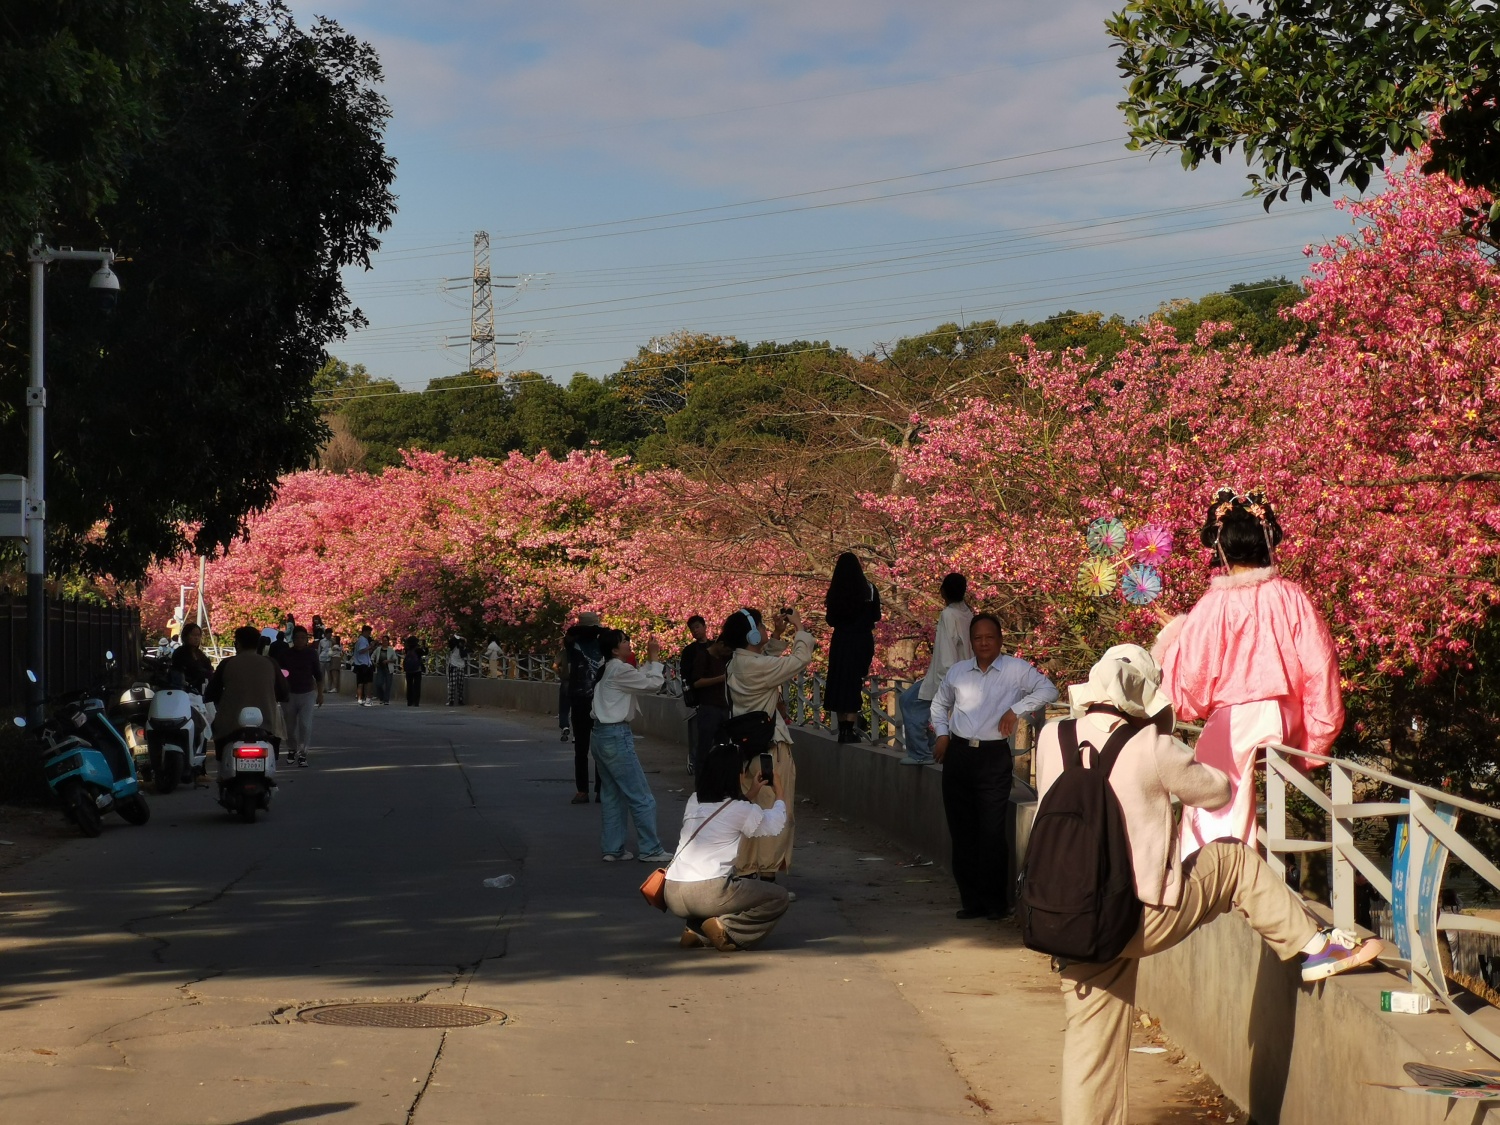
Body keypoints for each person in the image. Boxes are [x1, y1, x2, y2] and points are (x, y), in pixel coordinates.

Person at [1039, 644, 1381, 1125]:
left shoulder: (1051, 737)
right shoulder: (1151, 745)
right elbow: (1217, 792)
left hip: (1067, 917)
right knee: (1232, 859)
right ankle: (1312, 946)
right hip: (1138, 916)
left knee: (1089, 1050)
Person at [1152, 488, 1344, 860]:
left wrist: (1175, 636)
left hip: (1237, 721)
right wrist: (1316, 741)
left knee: (1212, 796)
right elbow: (1321, 667)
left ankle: (1218, 872)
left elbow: (1190, 677)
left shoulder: (1214, 604)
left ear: (1220, 547)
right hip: (1286, 718)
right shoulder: (1291, 595)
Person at [931, 612, 1058, 920]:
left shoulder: (1016, 670)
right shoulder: (958, 671)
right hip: (959, 756)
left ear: (1000, 640)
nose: (984, 643)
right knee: (962, 831)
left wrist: (1016, 710)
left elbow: (1049, 690)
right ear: (971, 642)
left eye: (990, 637)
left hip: (992, 758)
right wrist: (943, 735)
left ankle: (995, 904)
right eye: (978, 638)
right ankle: (971, 902)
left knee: (991, 831)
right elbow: (939, 704)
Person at [665, 744, 791, 951]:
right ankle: (726, 929)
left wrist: (752, 792)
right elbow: (775, 824)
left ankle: (696, 931)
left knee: (724, 889)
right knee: (778, 897)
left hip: (672, 891)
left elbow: (726, 812)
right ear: (736, 775)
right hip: (706, 892)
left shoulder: (694, 800)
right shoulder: (741, 809)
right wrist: (780, 793)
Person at [724, 607, 814, 880]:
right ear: (751, 635)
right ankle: (767, 878)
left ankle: (747, 872)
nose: (765, 629)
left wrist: (775, 635)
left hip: (748, 749)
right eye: (762, 626)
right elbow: (799, 660)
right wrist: (799, 628)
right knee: (776, 810)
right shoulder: (755, 667)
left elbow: (764, 661)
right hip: (771, 749)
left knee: (752, 810)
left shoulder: (737, 662)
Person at [589, 629, 674, 864]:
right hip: (616, 736)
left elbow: (638, 677)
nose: (628, 643)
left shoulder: (608, 667)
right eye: (624, 641)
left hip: (600, 735)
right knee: (641, 796)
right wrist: (654, 659)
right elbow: (653, 684)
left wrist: (649, 661)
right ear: (615, 649)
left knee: (612, 795)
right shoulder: (619, 670)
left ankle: (613, 848)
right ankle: (650, 849)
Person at [899, 572, 973, 766]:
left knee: (909, 702)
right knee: (920, 707)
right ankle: (932, 750)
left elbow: (947, 653)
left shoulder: (949, 614)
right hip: (962, 674)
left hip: (947, 676)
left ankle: (921, 753)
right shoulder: (968, 614)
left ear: (943, 592)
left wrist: (944, 684)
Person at [823, 552, 882, 742]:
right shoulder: (869, 589)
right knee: (854, 681)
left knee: (840, 680)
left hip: (841, 641)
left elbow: (831, 620)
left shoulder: (836, 592)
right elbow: (876, 616)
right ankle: (850, 728)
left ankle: (843, 730)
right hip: (862, 640)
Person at [204, 625, 289, 750]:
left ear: (238, 644)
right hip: (267, 725)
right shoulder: (271, 663)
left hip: (230, 726)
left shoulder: (226, 664)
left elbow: (212, 693)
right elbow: (284, 693)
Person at [564, 611, 608, 805]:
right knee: (581, 748)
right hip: (580, 699)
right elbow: (569, 635)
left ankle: (601, 789)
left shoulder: (603, 643)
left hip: (599, 700)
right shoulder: (573, 642)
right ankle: (582, 789)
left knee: (600, 749)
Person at [680, 615, 730, 776]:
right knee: (702, 741)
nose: (695, 631)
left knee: (721, 743)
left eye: (697, 627)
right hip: (704, 703)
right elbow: (691, 679)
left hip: (722, 703)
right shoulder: (692, 652)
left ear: (704, 626)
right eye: (692, 629)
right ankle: (698, 769)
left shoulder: (718, 649)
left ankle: (717, 774)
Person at [275, 625, 324, 767]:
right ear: (293, 639)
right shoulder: (285, 654)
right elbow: (279, 674)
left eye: (303, 638)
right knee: (289, 727)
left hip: (307, 693)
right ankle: (292, 749)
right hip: (289, 695)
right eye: (297, 638)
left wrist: (320, 694)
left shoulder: (311, 654)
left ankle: (303, 753)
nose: (300, 640)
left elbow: (318, 675)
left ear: (307, 640)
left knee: (305, 724)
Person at [169, 622, 214, 695]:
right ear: (185, 636)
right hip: (185, 691)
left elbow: (209, 668)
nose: (196, 638)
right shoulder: (180, 653)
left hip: (201, 690)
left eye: (198, 635)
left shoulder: (199, 653)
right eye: (193, 635)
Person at [351, 624, 375, 706]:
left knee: (360, 682)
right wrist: (370, 646)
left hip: (362, 663)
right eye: (368, 632)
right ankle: (367, 698)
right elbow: (361, 651)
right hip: (363, 664)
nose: (369, 634)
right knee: (368, 682)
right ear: (365, 632)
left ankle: (360, 698)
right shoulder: (362, 640)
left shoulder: (362, 640)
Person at [402, 634, 427, 706]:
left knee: (409, 686)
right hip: (417, 670)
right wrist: (424, 646)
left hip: (408, 670)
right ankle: (416, 702)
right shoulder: (418, 649)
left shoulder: (407, 649)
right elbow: (425, 653)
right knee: (417, 686)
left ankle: (409, 701)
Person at [371, 634, 396, 705]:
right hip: (380, 668)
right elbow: (372, 656)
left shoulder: (391, 650)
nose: (384, 642)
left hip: (388, 668)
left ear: (388, 641)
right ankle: (381, 697)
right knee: (378, 684)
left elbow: (395, 659)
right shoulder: (378, 649)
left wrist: (388, 661)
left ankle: (386, 700)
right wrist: (374, 663)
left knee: (388, 685)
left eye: (386, 640)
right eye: (383, 640)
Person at [554, 642, 571, 742]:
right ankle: (576, 734)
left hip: (566, 682)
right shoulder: (580, 653)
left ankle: (564, 726)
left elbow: (554, 666)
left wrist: (560, 674)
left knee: (564, 708)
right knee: (577, 709)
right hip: (578, 684)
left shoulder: (563, 653)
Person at [446, 635, 468, 706]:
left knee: (460, 685)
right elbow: (451, 641)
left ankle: (460, 700)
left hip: (460, 666)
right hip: (453, 665)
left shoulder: (463, 649)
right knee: (452, 684)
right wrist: (459, 637)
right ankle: (451, 700)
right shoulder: (454, 647)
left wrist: (464, 640)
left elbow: (465, 654)